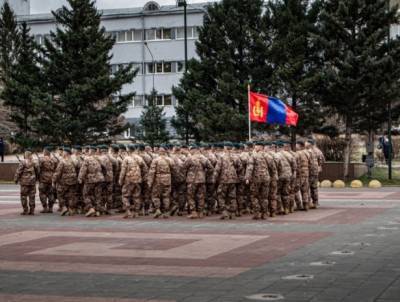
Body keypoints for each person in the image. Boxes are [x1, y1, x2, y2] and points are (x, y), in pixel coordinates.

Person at [14, 150, 39, 215]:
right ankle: (32, 210)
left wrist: (16, 179)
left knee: (23, 196)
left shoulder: (23, 162)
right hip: (32, 182)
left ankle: (25, 210)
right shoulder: (34, 163)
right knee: (32, 196)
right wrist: (37, 178)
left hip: (24, 182)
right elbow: (37, 171)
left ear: (25, 155)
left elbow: (18, 172)